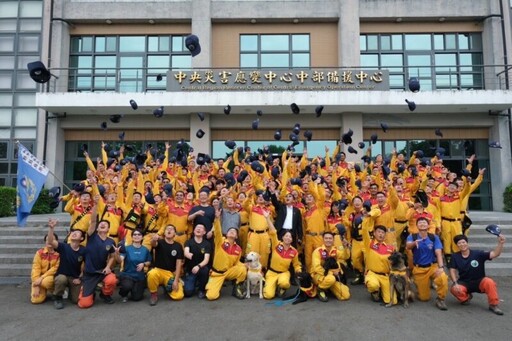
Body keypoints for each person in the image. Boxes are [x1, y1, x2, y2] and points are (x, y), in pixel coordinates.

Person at [449, 233, 506, 315]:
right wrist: (455, 282)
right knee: (454, 289)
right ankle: (466, 298)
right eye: (459, 243)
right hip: (464, 282)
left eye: (463, 242)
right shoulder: (455, 256)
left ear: (467, 243)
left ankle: (493, 305)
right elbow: (452, 270)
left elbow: (495, 254)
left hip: (479, 281)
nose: (462, 244)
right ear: (457, 245)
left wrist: (501, 243)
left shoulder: (478, 253)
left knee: (489, 282)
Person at [77, 195, 117, 308]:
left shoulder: (111, 241)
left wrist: (108, 266)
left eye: (105, 225)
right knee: (84, 304)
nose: (103, 224)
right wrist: (94, 205)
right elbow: (93, 220)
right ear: (97, 228)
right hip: (90, 273)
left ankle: (105, 295)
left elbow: (112, 256)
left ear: (108, 229)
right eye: (101, 225)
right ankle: (90, 292)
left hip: (102, 272)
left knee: (112, 280)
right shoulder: (92, 236)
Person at [405, 217, 449, 311]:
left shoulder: (434, 237)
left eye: (424, 222)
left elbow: (438, 253)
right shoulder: (412, 237)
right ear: (416, 226)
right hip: (419, 269)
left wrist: (441, 267)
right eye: (420, 222)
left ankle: (440, 299)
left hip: (432, 266)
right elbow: (408, 246)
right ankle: (420, 287)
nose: (422, 224)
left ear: (428, 225)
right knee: (424, 298)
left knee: (443, 277)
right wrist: (414, 243)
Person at [206, 208, 247, 300]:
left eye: (234, 231)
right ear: (226, 234)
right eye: (230, 230)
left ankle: (237, 288)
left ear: (236, 236)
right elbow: (217, 232)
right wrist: (217, 219)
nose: (232, 231)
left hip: (228, 272)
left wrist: (245, 265)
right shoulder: (220, 242)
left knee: (243, 269)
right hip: (217, 273)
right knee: (211, 296)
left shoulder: (238, 249)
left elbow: (236, 264)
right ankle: (215, 285)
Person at [47, 218, 86, 309]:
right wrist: (51, 228)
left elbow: (87, 265)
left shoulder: (83, 250)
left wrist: (81, 278)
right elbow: (51, 242)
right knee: (61, 279)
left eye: (77, 233)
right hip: (62, 275)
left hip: (74, 278)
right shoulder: (64, 247)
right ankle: (58, 297)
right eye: (73, 232)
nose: (74, 233)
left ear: (81, 238)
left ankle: (70, 294)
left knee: (76, 300)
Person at [262, 211, 302, 299]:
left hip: (284, 273)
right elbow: (273, 232)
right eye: (286, 236)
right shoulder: (276, 244)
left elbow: (296, 264)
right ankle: (273, 286)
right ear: (283, 237)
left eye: (290, 237)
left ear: (292, 240)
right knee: (268, 295)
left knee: (285, 283)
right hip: (272, 273)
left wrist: (298, 270)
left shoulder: (294, 251)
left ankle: (281, 288)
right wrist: (267, 218)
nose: (288, 238)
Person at [147, 224, 185, 306]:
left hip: (170, 273)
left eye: (172, 229)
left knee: (179, 296)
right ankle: (154, 295)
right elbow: (153, 244)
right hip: (158, 270)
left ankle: (167, 287)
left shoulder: (178, 246)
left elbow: (178, 264)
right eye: (167, 229)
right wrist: (153, 239)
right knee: (151, 273)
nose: (169, 230)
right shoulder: (160, 242)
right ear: (164, 233)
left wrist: (176, 280)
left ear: (174, 233)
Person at [310, 231, 351, 302]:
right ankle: (320, 289)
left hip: (331, 278)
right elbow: (317, 268)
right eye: (326, 238)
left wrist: (345, 247)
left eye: (330, 238)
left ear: (333, 240)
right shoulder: (317, 251)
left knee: (345, 295)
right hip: (319, 275)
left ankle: (327, 287)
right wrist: (331, 273)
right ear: (323, 239)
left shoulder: (335, 250)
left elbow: (345, 256)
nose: (328, 240)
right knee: (331, 279)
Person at [114, 228, 152, 302]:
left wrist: (143, 264)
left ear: (142, 237)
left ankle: (135, 290)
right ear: (132, 237)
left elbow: (149, 262)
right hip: (128, 275)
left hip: (139, 277)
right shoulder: (127, 248)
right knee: (127, 286)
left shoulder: (145, 249)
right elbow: (119, 260)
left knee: (137, 298)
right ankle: (123, 294)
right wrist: (117, 254)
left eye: (139, 234)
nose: (136, 236)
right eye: (134, 234)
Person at [30, 232, 60, 304]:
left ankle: (57, 292)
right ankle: (43, 291)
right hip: (39, 279)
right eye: (47, 240)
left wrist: (42, 278)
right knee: (36, 300)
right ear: (45, 242)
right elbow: (35, 268)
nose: (49, 241)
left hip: (51, 277)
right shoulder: (39, 253)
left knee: (46, 281)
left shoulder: (59, 254)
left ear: (56, 242)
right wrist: (35, 284)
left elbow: (55, 269)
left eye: (52, 240)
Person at [183, 224, 211, 298]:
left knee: (205, 270)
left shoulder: (207, 244)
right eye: (197, 228)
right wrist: (188, 254)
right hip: (191, 270)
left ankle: (201, 289)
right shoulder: (188, 242)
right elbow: (186, 252)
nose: (198, 229)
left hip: (201, 268)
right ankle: (193, 282)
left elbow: (206, 260)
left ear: (204, 232)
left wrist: (198, 266)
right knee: (188, 293)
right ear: (194, 230)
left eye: (201, 228)